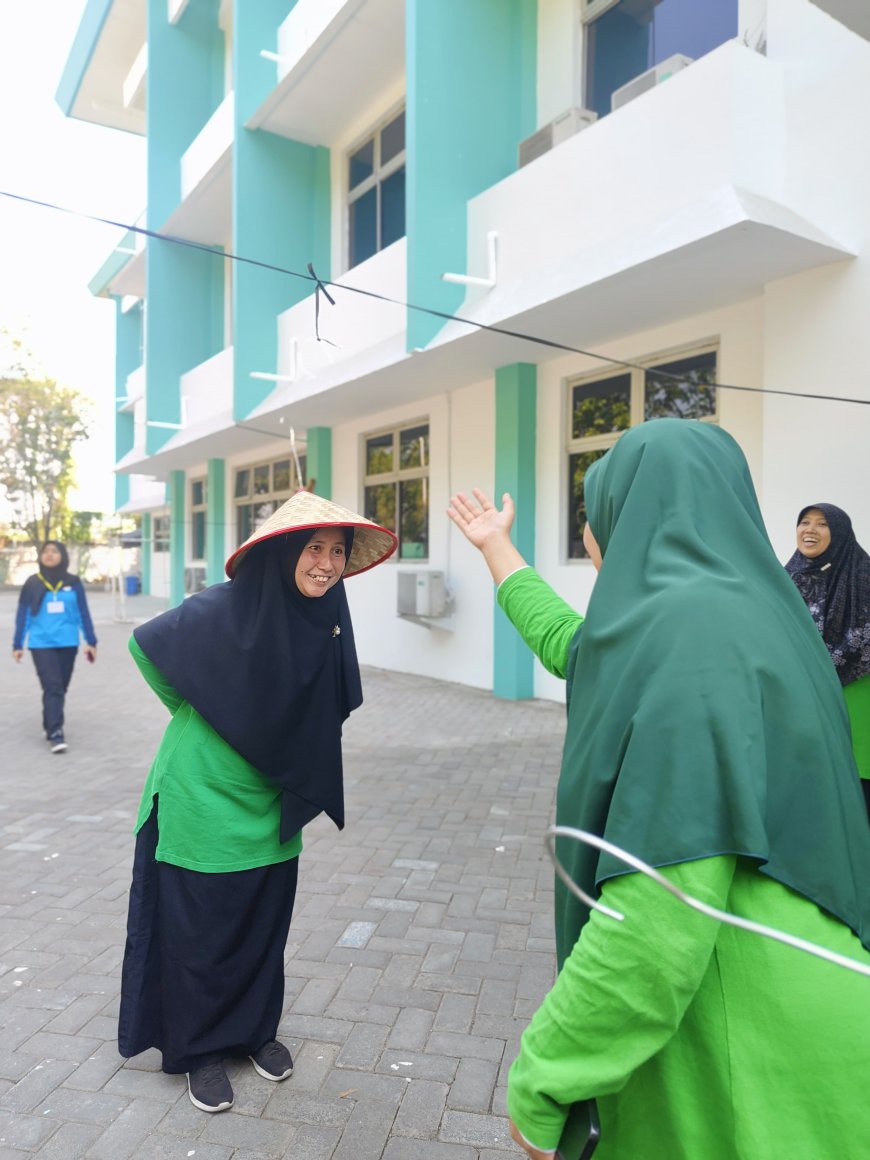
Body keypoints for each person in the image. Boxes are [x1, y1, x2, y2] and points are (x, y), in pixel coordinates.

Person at [448, 419, 870, 1160]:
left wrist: (544, 1078)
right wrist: (495, 547)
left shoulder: (688, 641)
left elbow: (659, 911)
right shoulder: (758, 615)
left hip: (741, 1031)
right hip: (811, 1004)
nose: (589, 538)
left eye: (596, 515)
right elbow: (571, 644)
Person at [118, 491, 395, 1113]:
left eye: (337, 552)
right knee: (201, 933)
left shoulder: (323, 623)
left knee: (262, 923)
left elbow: (327, 707)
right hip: (201, 796)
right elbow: (145, 645)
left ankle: (252, 1033)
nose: (326, 563)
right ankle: (198, 1050)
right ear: (284, 554)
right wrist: (206, 707)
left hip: (274, 800)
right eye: (314, 549)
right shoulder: (224, 609)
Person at [785, 503, 870, 818]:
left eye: (822, 524)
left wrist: (820, 666)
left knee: (856, 785)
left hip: (856, 693)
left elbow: (864, 637)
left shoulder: (863, 575)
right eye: (804, 522)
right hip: (801, 695)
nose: (809, 530)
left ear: (840, 532)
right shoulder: (786, 579)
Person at [11, 539, 97, 753]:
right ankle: (56, 732)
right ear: (40, 556)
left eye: (54, 551)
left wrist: (91, 641)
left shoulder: (74, 582)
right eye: (46, 551)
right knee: (53, 686)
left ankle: (49, 720)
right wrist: (17, 643)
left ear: (63, 555)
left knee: (60, 687)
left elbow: (82, 613)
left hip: (68, 642)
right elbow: (23, 615)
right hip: (41, 644)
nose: (49, 554)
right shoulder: (32, 583)